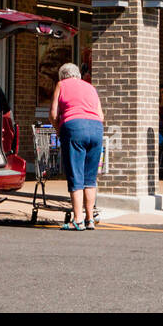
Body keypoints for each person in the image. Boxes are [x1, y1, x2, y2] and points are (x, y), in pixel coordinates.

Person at [49, 62, 104, 230]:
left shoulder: (61, 85)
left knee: (76, 175)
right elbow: (101, 115)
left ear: (62, 76)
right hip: (96, 129)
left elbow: (53, 113)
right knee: (90, 177)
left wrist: (58, 129)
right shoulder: (90, 87)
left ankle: (78, 219)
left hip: (74, 128)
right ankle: (90, 219)